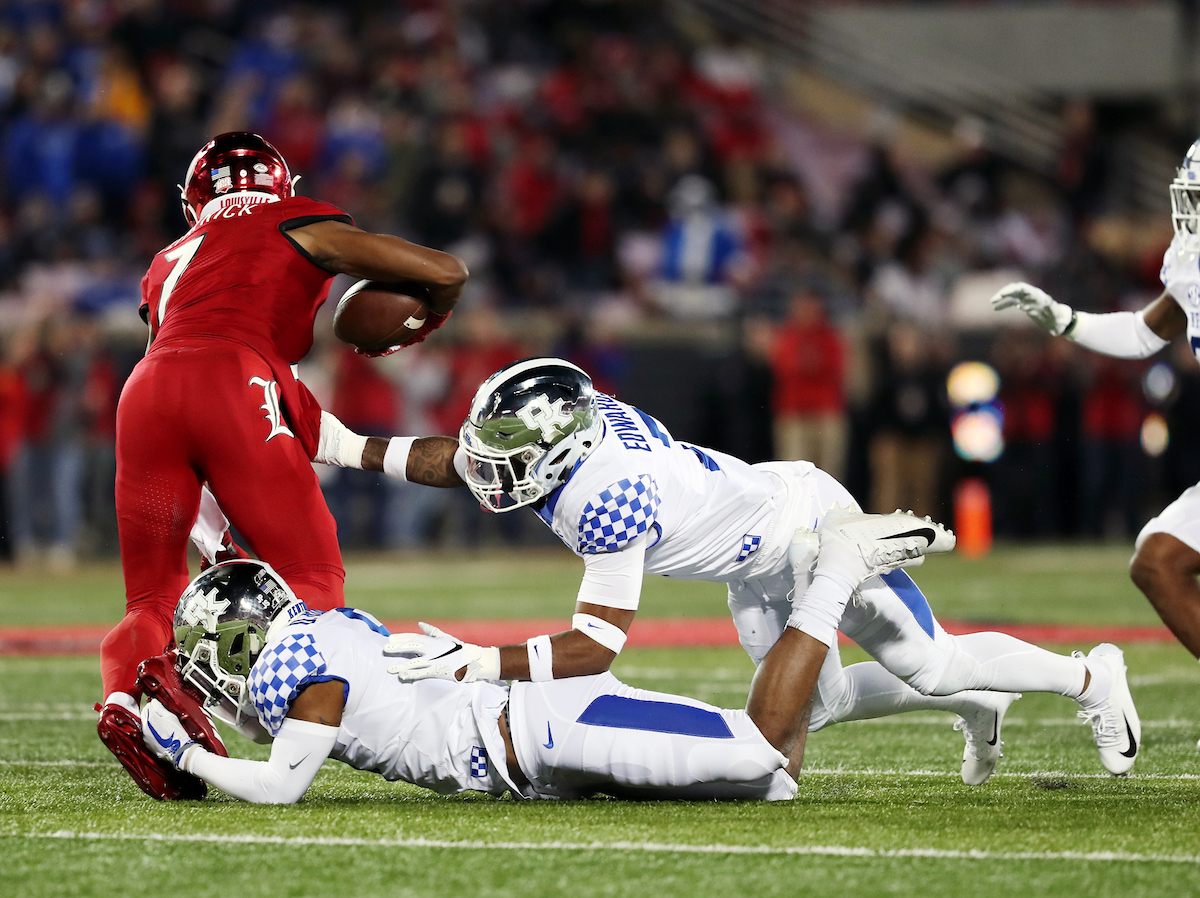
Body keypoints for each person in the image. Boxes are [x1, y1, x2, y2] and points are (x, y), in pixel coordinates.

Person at [385, 358, 1140, 782]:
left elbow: (595, 649)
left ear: (558, 448)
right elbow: (461, 462)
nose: (489, 469)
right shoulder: (586, 425)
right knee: (817, 707)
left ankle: (1091, 678)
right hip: (752, 554)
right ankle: (982, 704)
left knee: (934, 661)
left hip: (806, 529)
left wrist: (480, 661)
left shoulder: (609, 496)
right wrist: (339, 445)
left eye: (507, 453)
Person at [98, 131, 469, 800]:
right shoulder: (294, 219)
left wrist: (212, 533)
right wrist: (422, 320)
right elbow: (445, 270)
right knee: (312, 574)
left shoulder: (165, 261)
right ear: (280, 185)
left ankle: (127, 702)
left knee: (149, 595)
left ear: (193, 203)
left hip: (145, 391)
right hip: (238, 377)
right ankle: (272, 705)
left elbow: (185, 371)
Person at [140, 560, 799, 803]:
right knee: (771, 787)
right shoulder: (324, 626)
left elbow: (280, 785)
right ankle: (802, 605)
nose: (206, 669)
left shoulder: (300, 670)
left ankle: (822, 589)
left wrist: (188, 754)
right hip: (530, 747)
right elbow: (266, 730)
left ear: (241, 636)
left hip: (542, 728)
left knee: (757, 755)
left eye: (207, 648)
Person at [992, 138, 1200, 662]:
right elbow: (1143, 334)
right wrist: (1065, 320)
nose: (1189, 213)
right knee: (1157, 561)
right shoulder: (1190, 268)